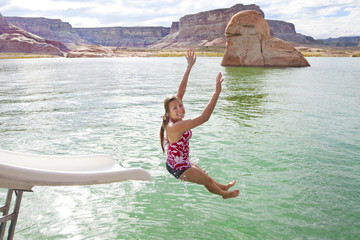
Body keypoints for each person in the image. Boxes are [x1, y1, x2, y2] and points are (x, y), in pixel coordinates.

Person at [160, 49, 239, 199]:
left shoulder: (169, 118)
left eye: (180, 105)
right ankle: (224, 194)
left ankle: (222, 186)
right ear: (169, 112)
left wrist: (189, 67)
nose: (179, 109)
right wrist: (216, 93)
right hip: (178, 168)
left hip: (179, 162)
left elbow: (181, 91)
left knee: (206, 177)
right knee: (206, 181)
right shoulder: (176, 126)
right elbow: (204, 118)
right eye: (175, 108)